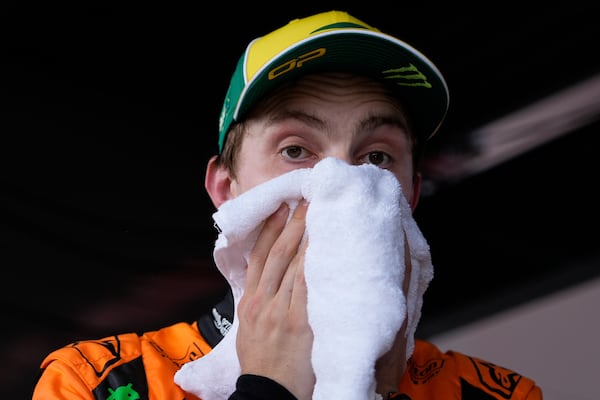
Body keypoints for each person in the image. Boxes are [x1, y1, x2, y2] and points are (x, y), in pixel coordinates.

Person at [31, 10, 543, 400]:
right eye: (296, 150)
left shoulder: (497, 394)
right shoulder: (97, 380)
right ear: (227, 189)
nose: (340, 181)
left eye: (377, 156)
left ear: (408, 196)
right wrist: (270, 389)